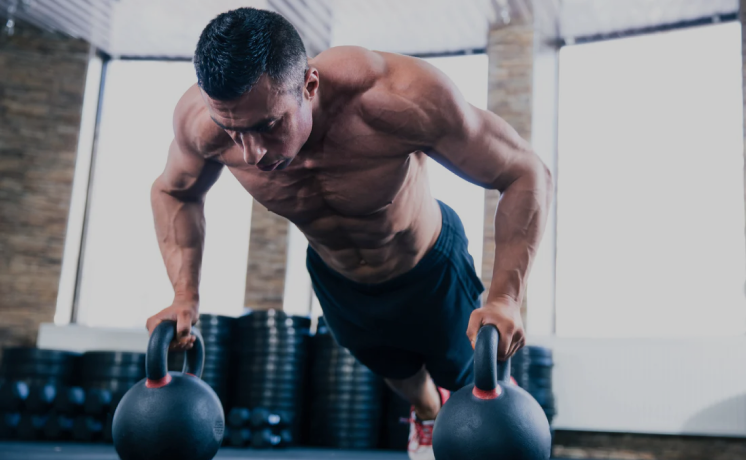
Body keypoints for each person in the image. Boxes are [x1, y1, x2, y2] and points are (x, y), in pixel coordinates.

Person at [145, 7, 552, 459]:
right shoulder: (202, 125)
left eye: (268, 126)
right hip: (337, 278)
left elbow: (524, 172)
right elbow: (173, 192)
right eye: (233, 131)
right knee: (393, 367)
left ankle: (467, 404)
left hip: (428, 264)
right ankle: (427, 415)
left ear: (309, 85)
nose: (253, 153)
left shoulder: (395, 97)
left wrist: (505, 298)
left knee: (468, 381)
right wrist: (185, 295)